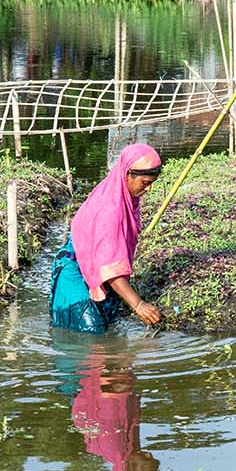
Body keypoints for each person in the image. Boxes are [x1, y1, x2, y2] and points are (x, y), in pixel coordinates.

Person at [50, 143, 165, 333]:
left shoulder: (119, 193)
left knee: (107, 323)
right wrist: (138, 305)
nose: (148, 189)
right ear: (127, 174)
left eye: (151, 183)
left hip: (91, 264)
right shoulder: (110, 210)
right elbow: (109, 267)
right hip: (75, 271)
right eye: (145, 183)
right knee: (90, 336)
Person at [69, 355, 161, 471]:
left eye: (148, 463)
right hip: (98, 379)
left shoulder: (113, 444)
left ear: (130, 468)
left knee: (101, 348)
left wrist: (112, 366)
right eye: (155, 463)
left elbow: (108, 394)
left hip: (97, 372)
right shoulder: (127, 446)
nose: (149, 455)